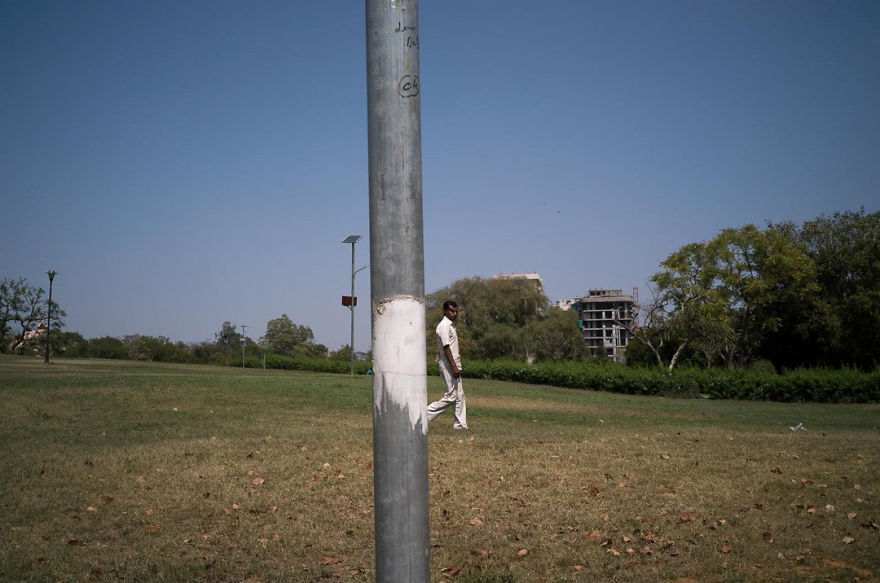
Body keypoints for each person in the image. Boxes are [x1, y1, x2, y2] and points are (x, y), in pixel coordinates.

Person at [427, 300, 468, 429]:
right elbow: (446, 347)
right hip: (448, 364)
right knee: (452, 396)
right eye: (451, 311)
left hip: (454, 363)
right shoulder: (443, 326)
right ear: (445, 311)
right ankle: (423, 414)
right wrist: (454, 366)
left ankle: (460, 425)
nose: (454, 313)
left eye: (456, 311)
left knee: (459, 395)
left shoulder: (450, 325)